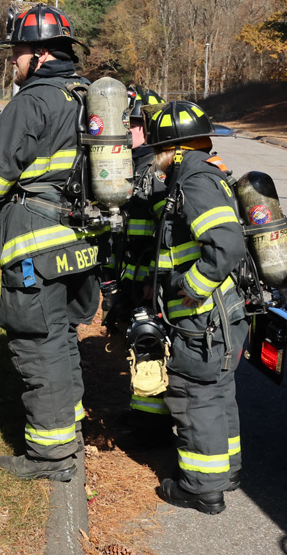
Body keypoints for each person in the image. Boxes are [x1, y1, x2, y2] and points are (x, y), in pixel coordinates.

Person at [0, 3, 104, 482]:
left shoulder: (32, 101)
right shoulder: (86, 95)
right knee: (63, 339)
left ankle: (49, 456)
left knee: (37, 347)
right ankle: (68, 432)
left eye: (17, 52)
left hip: (37, 246)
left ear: (41, 54)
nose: (12, 61)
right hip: (80, 243)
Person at [142, 100, 247, 515]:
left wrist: (192, 286)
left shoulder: (195, 181)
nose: (156, 159)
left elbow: (226, 244)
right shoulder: (202, 175)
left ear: (172, 148)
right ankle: (227, 472)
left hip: (204, 316)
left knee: (195, 395)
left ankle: (201, 489)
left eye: (158, 150)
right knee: (219, 392)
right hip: (223, 315)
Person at [104, 86, 174, 440]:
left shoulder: (158, 171)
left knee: (151, 347)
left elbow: (162, 235)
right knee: (138, 345)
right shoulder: (135, 164)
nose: (127, 131)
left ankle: (152, 427)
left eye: (132, 125)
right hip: (135, 275)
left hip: (151, 278)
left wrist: (152, 280)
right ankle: (141, 413)